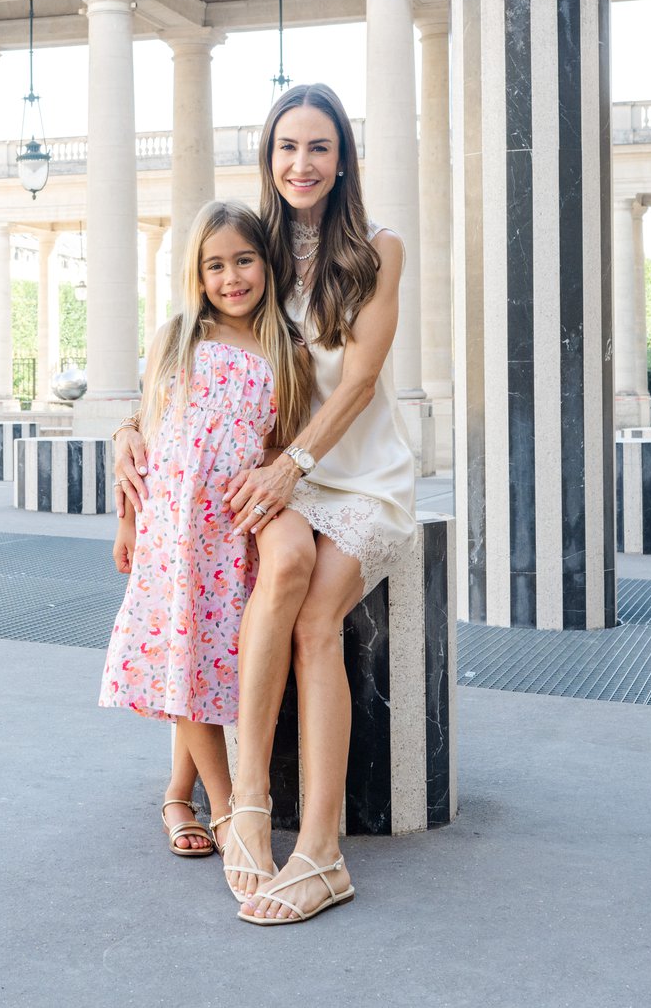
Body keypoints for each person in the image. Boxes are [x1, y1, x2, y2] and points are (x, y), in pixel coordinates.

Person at [114, 83, 417, 925]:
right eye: (287, 146)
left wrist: (293, 466)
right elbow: (190, 352)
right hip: (275, 471)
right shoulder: (260, 248)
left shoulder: (380, 250)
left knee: (317, 620)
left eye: (319, 146)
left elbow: (359, 382)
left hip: (354, 474)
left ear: (343, 158)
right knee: (264, 576)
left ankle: (320, 851)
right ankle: (244, 802)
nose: (301, 162)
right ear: (268, 157)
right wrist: (127, 431)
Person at [100, 199, 314, 866]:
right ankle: (223, 806)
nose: (230, 277)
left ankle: (177, 793)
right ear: (196, 273)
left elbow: (281, 447)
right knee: (181, 653)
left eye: (243, 260)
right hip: (171, 528)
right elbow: (145, 432)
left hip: (228, 532)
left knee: (208, 658)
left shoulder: (285, 348)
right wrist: (127, 522)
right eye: (214, 265)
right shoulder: (177, 336)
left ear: (266, 264)